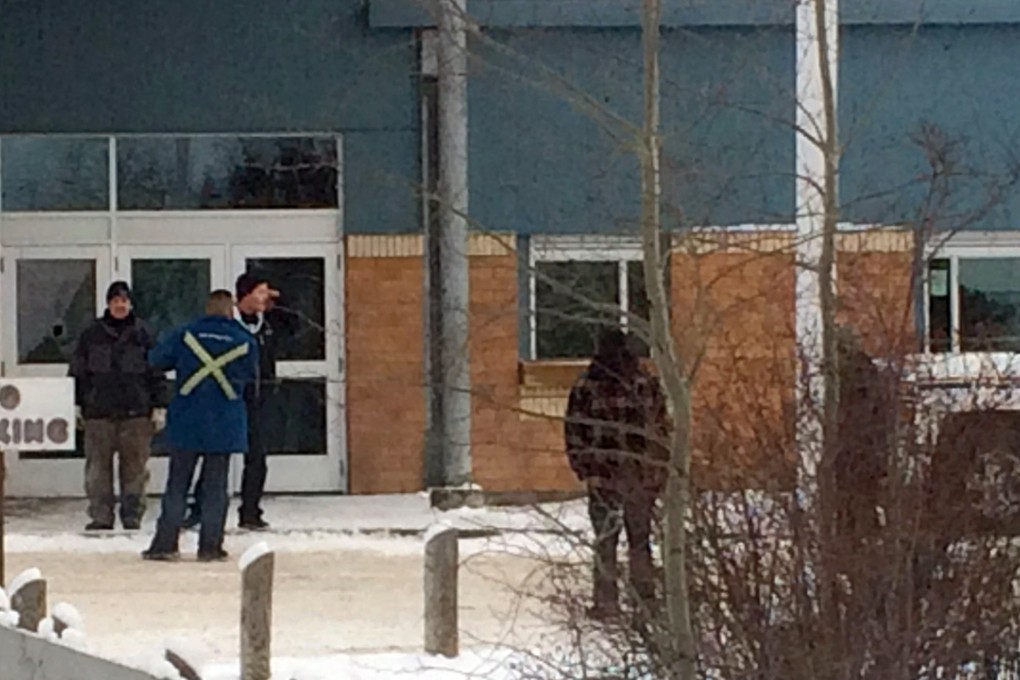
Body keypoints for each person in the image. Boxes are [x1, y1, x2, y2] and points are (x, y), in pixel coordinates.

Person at [142, 290, 259, 562]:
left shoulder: (185, 334)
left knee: (178, 484)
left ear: (207, 309)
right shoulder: (245, 340)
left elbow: (155, 360)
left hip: (187, 420)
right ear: (231, 310)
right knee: (216, 488)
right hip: (224, 422)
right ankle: (210, 546)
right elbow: (251, 377)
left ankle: (165, 544)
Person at [564, 328, 671, 619]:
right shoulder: (644, 382)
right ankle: (645, 600)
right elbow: (662, 428)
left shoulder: (587, 385)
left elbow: (574, 430)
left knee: (605, 539)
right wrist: (659, 469)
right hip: (640, 474)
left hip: (603, 475)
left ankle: (606, 602)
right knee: (640, 540)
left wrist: (584, 468)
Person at [184, 271, 293, 531]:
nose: (264, 298)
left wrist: (280, 299)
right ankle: (199, 509)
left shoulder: (268, 323)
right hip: (231, 397)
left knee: (257, 457)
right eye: (260, 292)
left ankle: (250, 512)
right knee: (217, 455)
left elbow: (294, 325)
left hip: (259, 399)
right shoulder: (231, 325)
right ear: (245, 295)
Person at [69, 281, 166, 531]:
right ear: (108, 303)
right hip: (98, 413)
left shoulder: (145, 333)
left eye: (123, 301)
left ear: (130, 303)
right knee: (97, 471)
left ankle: (132, 516)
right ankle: (101, 517)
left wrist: (159, 405)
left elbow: (157, 372)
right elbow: (78, 372)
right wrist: (76, 404)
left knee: (135, 470)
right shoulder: (91, 335)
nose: (120, 305)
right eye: (115, 301)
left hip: (136, 413)